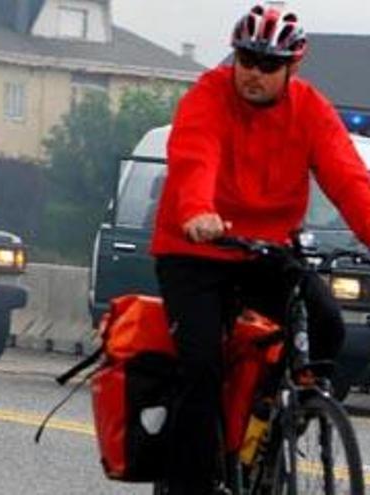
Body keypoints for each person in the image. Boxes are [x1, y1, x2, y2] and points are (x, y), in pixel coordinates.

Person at [150, 5, 370, 494]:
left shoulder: (311, 110)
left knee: (328, 324)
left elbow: (350, 182)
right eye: (246, 59)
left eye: (268, 65)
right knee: (202, 366)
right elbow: (194, 157)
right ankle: (191, 484)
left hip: (263, 252)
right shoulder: (207, 97)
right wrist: (197, 212)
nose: (253, 72)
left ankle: (271, 426)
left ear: (293, 67)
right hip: (196, 251)